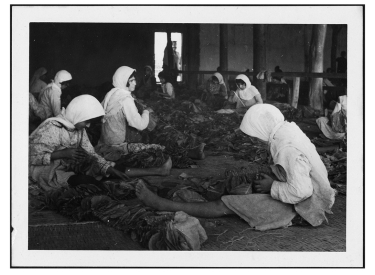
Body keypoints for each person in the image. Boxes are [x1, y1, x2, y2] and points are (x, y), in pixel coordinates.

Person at [135, 104, 336, 231]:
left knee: (228, 203)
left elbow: (302, 190)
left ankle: (164, 205)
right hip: (311, 193)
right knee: (249, 180)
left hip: (307, 206)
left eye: (253, 133)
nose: (253, 138)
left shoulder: (286, 148)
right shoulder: (286, 130)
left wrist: (271, 187)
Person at [29, 95, 134, 192]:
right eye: (86, 121)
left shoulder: (77, 127)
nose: (88, 126)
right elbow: (31, 157)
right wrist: (63, 154)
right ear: (77, 115)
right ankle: (110, 191)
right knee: (84, 181)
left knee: (107, 169)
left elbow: (90, 152)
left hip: (66, 166)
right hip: (46, 170)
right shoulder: (52, 127)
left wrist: (110, 169)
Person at [95, 66, 172, 176]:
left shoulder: (111, 94)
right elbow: (140, 125)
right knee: (161, 151)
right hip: (118, 147)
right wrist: (146, 112)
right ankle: (157, 171)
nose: (135, 83)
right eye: (132, 80)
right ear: (124, 81)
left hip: (103, 144)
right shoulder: (125, 99)